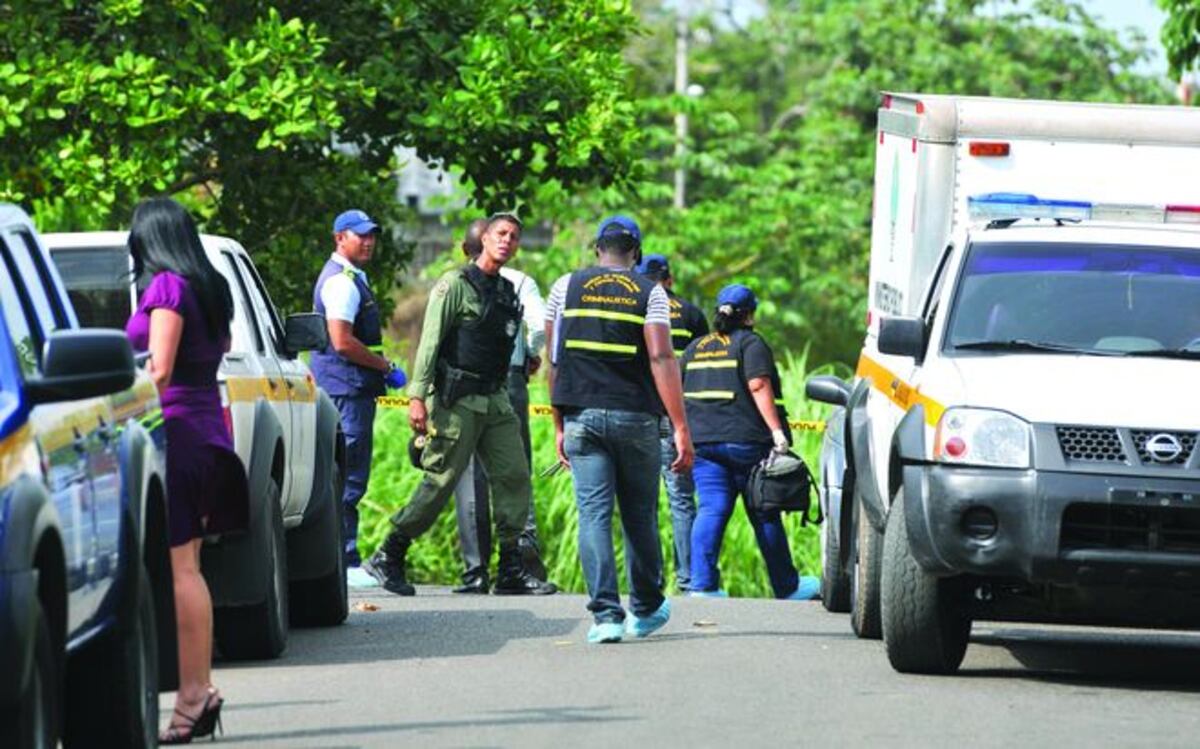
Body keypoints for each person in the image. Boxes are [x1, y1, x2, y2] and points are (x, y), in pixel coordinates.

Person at [364, 213, 556, 597]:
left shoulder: (506, 291)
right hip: (457, 400)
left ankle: (511, 569)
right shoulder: (454, 284)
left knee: (514, 476)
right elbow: (430, 342)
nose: (507, 241)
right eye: (501, 234)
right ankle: (391, 552)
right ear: (484, 238)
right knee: (440, 480)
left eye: (514, 237)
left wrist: (530, 359)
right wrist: (416, 398)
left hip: (496, 398)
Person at [125, 197, 249, 743]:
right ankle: (200, 692)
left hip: (177, 435)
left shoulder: (167, 288)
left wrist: (105, 408)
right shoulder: (208, 286)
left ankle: (194, 695)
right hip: (206, 430)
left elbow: (158, 369)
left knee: (181, 573)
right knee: (190, 568)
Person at [546, 215, 693, 644]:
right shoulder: (652, 293)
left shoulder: (564, 286)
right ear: (636, 254)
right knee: (638, 515)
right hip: (635, 417)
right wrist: (681, 427)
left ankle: (606, 617)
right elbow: (662, 359)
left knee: (593, 514)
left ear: (597, 249)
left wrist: (559, 423)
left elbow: (555, 359)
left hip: (581, 417)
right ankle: (644, 608)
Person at [680, 283, 819, 600]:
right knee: (764, 510)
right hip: (746, 443)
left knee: (711, 509)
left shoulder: (697, 347)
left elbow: (677, 385)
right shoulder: (750, 343)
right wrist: (777, 432)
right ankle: (787, 586)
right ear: (750, 315)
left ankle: (702, 586)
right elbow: (758, 386)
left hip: (702, 444)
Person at [452, 218, 549, 594]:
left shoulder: (455, 283)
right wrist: (530, 356)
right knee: (512, 471)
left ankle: (475, 573)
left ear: (466, 249)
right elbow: (539, 326)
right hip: (508, 379)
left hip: (462, 383)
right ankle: (520, 565)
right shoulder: (520, 282)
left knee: (469, 476)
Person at [310, 209, 406, 585]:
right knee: (348, 477)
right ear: (339, 238)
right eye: (359, 235)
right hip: (346, 390)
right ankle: (346, 560)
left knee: (348, 474)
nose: (368, 241)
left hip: (348, 389)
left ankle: (341, 558)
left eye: (371, 235)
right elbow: (343, 342)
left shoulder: (349, 278)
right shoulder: (341, 283)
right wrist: (384, 367)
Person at [635, 253, 708, 592]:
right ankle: (689, 578)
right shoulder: (692, 313)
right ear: (670, 278)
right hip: (679, 416)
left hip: (642, 414)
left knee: (643, 501)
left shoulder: (635, 305)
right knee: (681, 501)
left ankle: (649, 580)